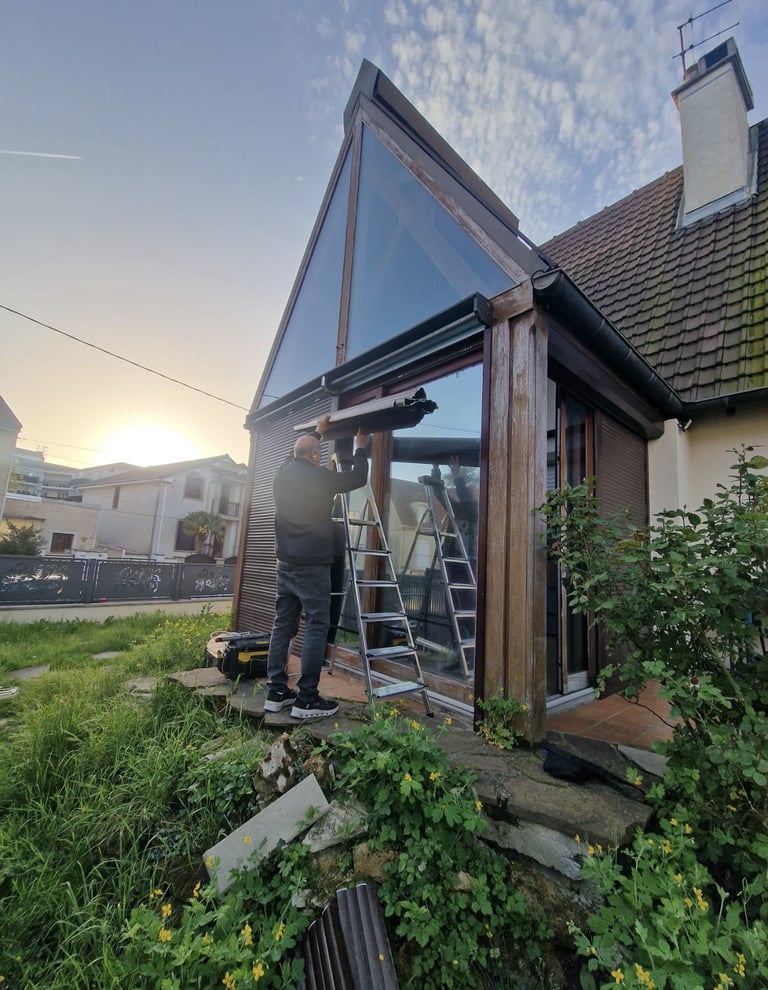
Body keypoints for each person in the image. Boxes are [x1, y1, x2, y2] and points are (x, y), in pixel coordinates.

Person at [264, 415, 371, 719]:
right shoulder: (323, 478)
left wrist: (316, 434)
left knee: (283, 624)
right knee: (315, 626)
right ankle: (306, 699)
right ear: (313, 457)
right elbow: (358, 478)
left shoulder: (280, 474)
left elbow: (292, 456)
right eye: (317, 453)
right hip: (313, 567)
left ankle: (277, 693)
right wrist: (361, 447)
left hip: (285, 565)